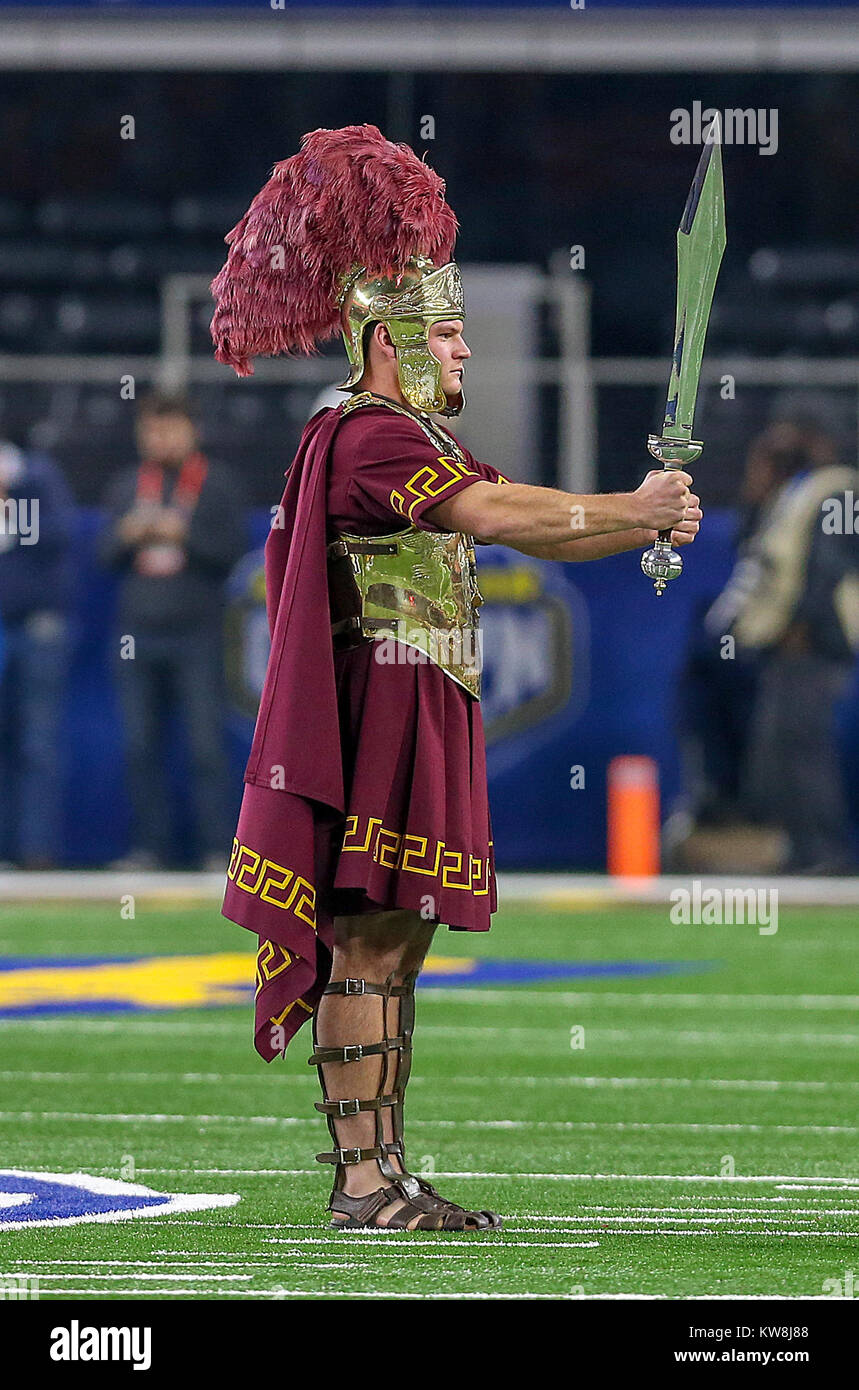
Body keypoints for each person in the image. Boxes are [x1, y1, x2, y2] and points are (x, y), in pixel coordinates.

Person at [210, 124, 701, 1232]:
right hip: (375, 712)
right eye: (447, 332)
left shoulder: (408, 438)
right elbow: (495, 512)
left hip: (414, 706)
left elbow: (535, 526)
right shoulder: (370, 435)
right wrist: (634, 508)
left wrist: (636, 519)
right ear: (387, 340)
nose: (466, 353)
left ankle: (385, 1170)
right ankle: (361, 1183)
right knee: (366, 939)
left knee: (396, 939)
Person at [99, 392, 246, 869]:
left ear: (191, 429)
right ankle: (149, 849)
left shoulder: (217, 484)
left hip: (197, 634)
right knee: (140, 746)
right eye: (151, 429)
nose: (159, 438)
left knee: (206, 747)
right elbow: (102, 557)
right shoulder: (126, 485)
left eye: (169, 427)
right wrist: (127, 534)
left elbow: (232, 554)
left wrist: (186, 535)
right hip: (135, 635)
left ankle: (217, 849)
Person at [707, 418, 859, 873]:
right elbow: (752, 549)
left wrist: (804, 625)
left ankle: (826, 854)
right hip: (791, 643)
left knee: (803, 748)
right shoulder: (791, 496)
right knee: (781, 750)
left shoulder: (834, 490)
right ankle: (804, 848)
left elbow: (827, 566)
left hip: (814, 643)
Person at [0, 438, 75, 868]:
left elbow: (59, 535)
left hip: (36, 626)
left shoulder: (36, 475)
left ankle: (34, 851)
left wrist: (13, 503)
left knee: (37, 743)